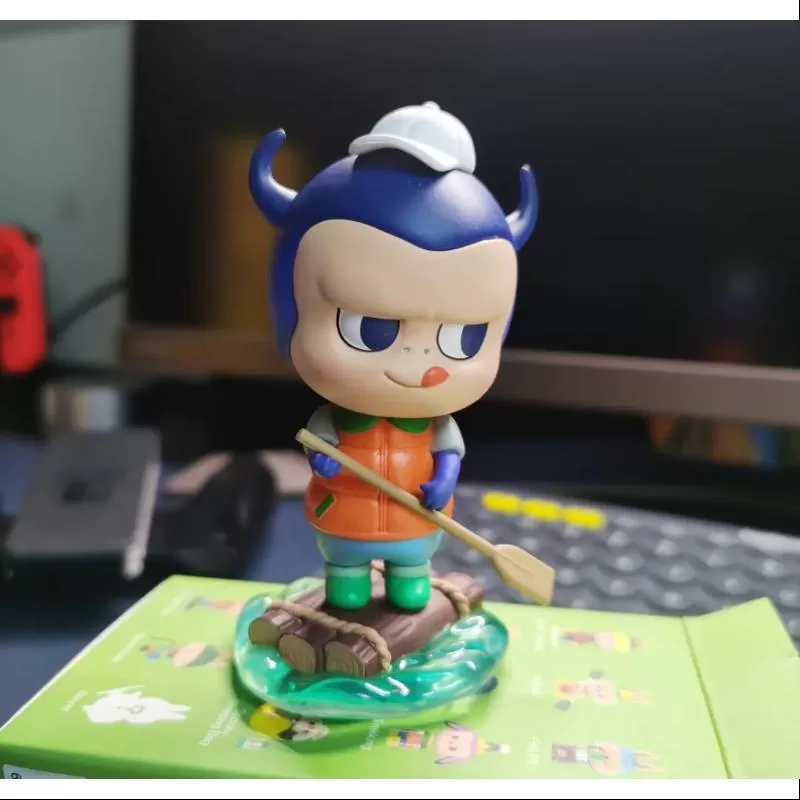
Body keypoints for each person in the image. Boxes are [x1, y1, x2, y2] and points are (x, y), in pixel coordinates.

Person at [250, 102, 538, 612]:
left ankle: (408, 586)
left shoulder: (436, 426)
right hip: (345, 521)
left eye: (464, 339)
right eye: (369, 329)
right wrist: (321, 456)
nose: (418, 365)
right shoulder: (332, 419)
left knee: (411, 587)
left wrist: (444, 478)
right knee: (346, 589)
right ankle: (348, 588)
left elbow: (448, 454)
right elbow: (320, 441)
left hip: (415, 524)